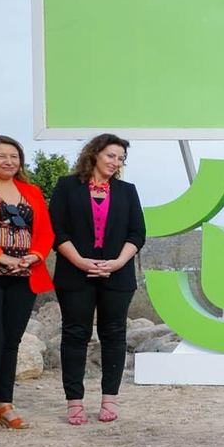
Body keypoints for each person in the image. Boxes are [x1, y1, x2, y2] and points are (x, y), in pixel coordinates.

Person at [50, 134, 145, 425]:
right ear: (94, 154)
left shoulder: (127, 191)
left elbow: (137, 234)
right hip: (74, 273)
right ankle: (74, 403)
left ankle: (109, 400)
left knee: (114, 335)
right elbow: (56, 231)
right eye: (110, 156)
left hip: (117, 275)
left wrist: (117, 263)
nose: (116, 162)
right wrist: (80, 261)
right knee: (75, 335)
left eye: (121, 159)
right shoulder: (67, 186)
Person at [0, 135, 54, 430]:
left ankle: (4, 405)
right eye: (1, 156)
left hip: (24, 276)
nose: (9, 161)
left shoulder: (31, 192)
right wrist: (0, 256)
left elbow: (46, 232)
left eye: (14, 156)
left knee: (11, 341)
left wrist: (35, 255)